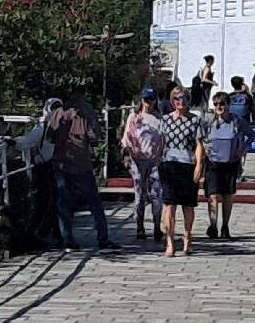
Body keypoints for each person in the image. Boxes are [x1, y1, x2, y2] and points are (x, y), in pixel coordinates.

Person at [46, 89, 121, 253]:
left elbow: (49, 137)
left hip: (60, 163)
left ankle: (67, 239)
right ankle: (103, 238)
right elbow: (94, 137)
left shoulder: (57, 113)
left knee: (64, 202)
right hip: (81, 164)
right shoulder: (86, 114)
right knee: (94, 202)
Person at [158, 86, 206, 257]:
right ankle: (170, 242)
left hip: (187, 164)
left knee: (187, 205)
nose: (181, 101)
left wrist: (199, 165)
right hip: (169, 164)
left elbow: (199, 145)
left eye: (184, 98)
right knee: (169, 204)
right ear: (172, 100)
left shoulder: (195, 121)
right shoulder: (165, 120)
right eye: (177, 98)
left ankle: (187, 236)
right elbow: (161, 142)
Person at [10, 98, 63, 248]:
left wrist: (15, 142)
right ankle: (45, 233)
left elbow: (28, 141)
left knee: (49, 201)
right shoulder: (46, 127)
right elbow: (28, 140)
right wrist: (15, 142)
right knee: (51, 201)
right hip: (51, 168)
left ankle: (43, 233)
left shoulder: (46, 126)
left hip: (50, 167)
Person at [203, 91, 254, 240]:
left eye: (222, 104)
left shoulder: (236, 122)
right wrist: (204, 149)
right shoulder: (209, 121)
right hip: (212, 163)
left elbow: (251, 135)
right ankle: (213, 225)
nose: (219, 107)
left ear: (228, 105)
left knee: (227, 196)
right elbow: (199, 137)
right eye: (216, 104)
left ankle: (225, 225)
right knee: (212, 195)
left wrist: (242, 150)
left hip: (230, 163)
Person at [120, 87, 164, 241]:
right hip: (137, 160)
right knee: (139, 195)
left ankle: (157, 226)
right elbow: (127, 137)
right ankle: (140, 227)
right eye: (146, 99)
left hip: (154, 160)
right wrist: (126, 155)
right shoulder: (134, 117)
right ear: (141, 100)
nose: (148, 103)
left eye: (151, 100)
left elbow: (163, 139)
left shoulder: (160, 118)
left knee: (157, 195)